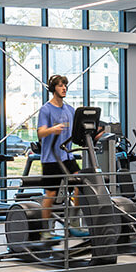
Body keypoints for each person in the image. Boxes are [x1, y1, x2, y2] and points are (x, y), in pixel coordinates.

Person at [28, 74, 84, 235]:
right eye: (60, 85)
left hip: (67, 157)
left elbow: (77, 130)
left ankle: (73, 221)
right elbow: (40, 133)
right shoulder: (46, 109)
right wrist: (53, 129)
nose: (64, 88)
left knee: (80, 185)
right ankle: (45, 231)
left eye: (65, 85)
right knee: (51, 194)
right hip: (51, 159)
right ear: (54, 89)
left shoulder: (70, 110)